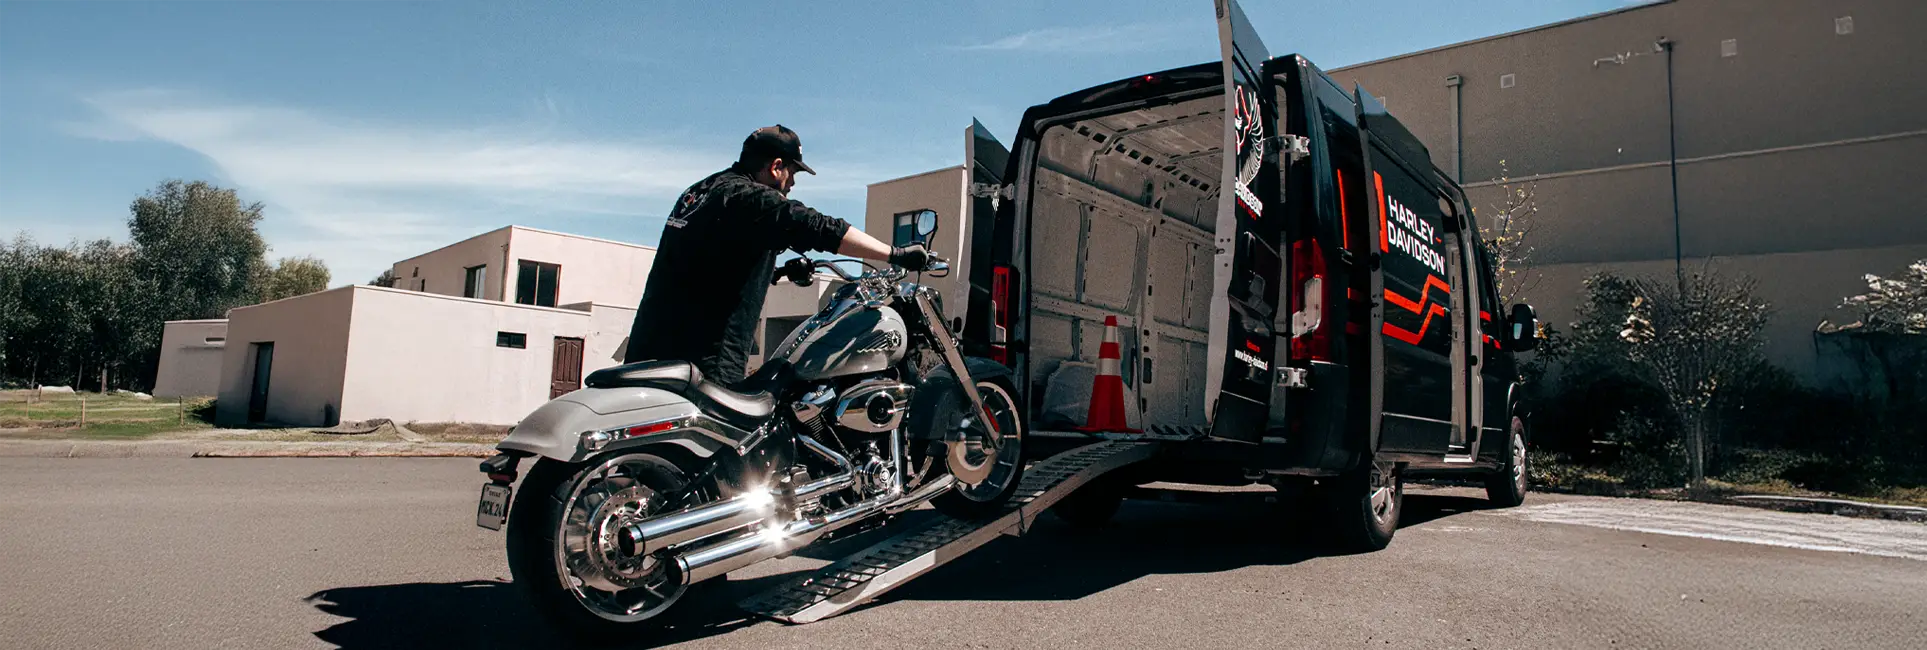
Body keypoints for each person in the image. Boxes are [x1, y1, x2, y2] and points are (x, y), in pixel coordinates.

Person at [622, 124, 931, 386]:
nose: (792, 183)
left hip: (648, 353)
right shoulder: (752, 199)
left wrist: (775, 272)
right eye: (793, 173)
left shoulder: (701, 191)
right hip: (703, 362)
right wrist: (895, 253)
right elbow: (821, 227)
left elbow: (708, 261)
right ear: (776, 167)